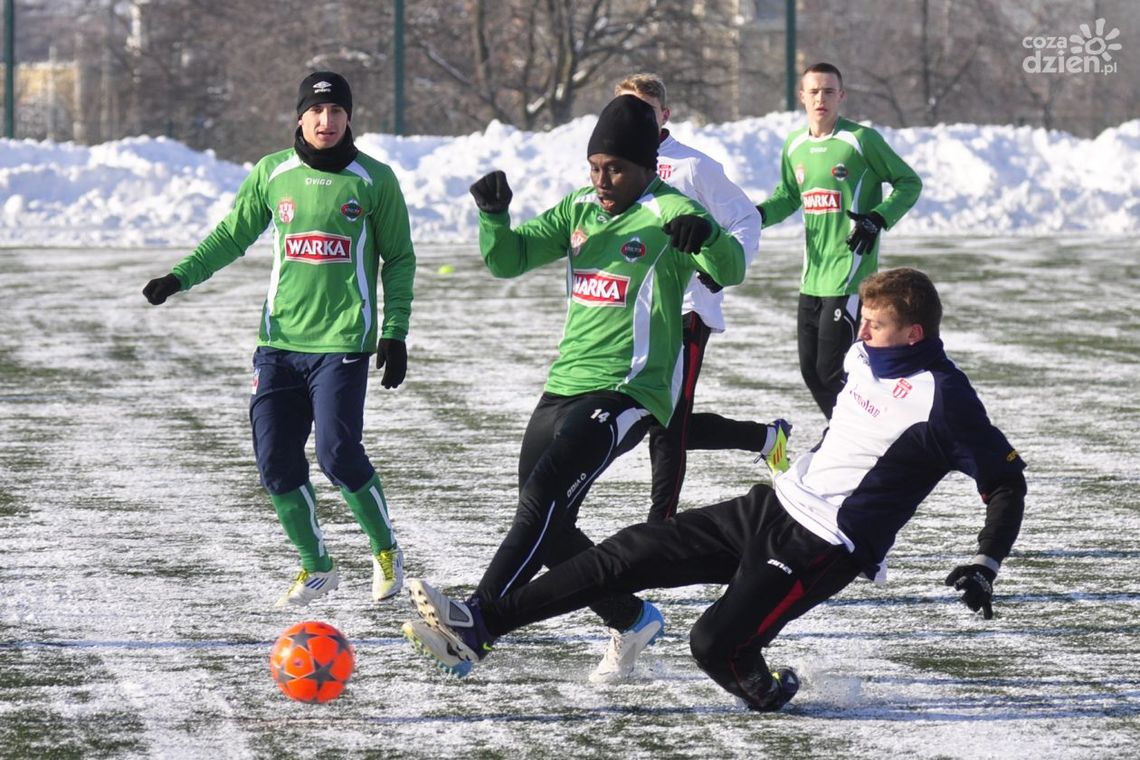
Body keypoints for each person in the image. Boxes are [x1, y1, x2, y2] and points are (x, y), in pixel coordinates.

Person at [401, 267, 1026, 713]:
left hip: (822, 546)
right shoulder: (865, 359)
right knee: (623, 553)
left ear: (914, 334)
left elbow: (1005, 481)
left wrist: (985, 560)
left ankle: (764, 688)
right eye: (862, 321)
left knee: (712, 646)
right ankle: (480, 628)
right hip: (770, 506)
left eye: (878, 325)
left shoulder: (946, 400)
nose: (863, 335)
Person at [424, 94, 746, 683]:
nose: (601, 179)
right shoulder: (579, 208)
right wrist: (495, 217)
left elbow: (729, 271)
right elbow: (509, 261)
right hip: (564, 382)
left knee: (545, 493)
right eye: (594, 166)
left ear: (647, 164)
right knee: (545, 516)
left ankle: (479, 616)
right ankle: (630, 617)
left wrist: (706, 237)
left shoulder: (670, 210)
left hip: (628, 390)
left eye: (615, 168)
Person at [142, 71, 416, 608]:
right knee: (275, 463)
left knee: (338, 455)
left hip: (341, 344)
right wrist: (179, 278)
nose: (326, 121)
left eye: (336, 111)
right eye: (316, 111)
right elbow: (231, 236)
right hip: (279, 344)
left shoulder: (374, 179)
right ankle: (317, 566)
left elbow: (399, 258)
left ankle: (386, 551)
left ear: (348, 117)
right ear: (299, 116)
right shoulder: (272, 173)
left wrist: (395, 332)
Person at [613, 73, 790, 524]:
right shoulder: (610, 167)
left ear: (664, 116)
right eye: (624, 109)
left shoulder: (692, 167)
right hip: (635, 313)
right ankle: (766, 439)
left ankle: (659, 529)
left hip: (687, 310)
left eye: (644, 111)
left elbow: (745, 219)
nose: (632, 119)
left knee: (667, 426)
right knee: (658, 419)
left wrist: (719, 270)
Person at [757, 62, 923, 420]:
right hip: (811, 279)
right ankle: (850, 435)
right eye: (814, 91)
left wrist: (877, 218)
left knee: (833, 371)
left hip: (849, 279)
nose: (821, 98)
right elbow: (788, 196)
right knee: (811, 372)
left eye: (829, 91)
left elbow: (909, 183)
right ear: (801, 96)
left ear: (841, 96)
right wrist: (755, 216)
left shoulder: (860, 141)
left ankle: (859, 438)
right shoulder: (794, 145)